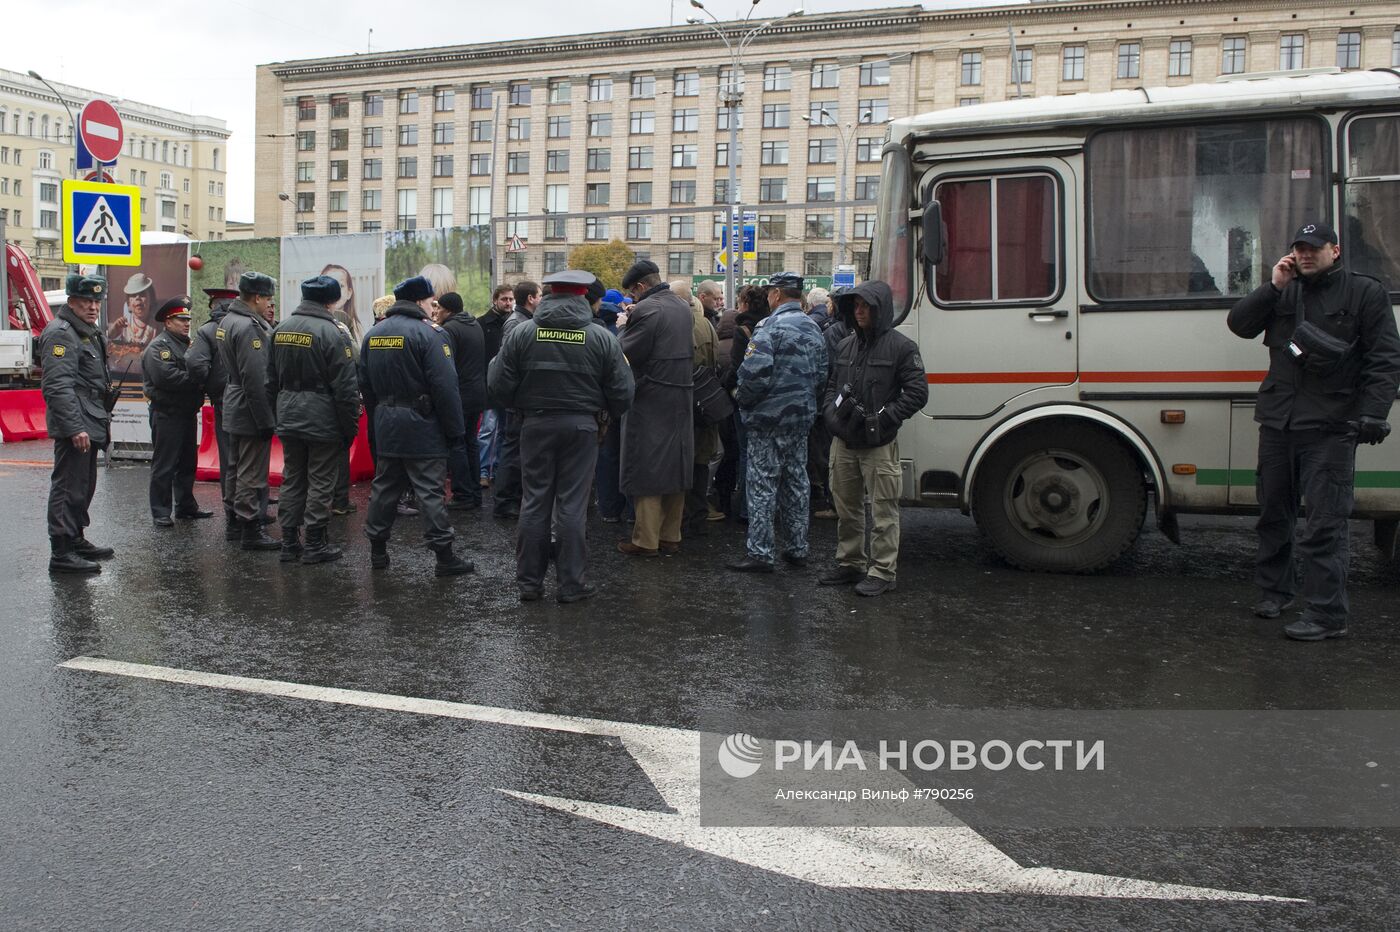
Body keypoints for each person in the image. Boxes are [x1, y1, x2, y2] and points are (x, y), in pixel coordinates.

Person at [1227, 221, 1400, 640]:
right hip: (1278, 421)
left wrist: (1374, 413)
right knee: (1273, 514)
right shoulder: (1285, 289)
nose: (1305, 255)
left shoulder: (1365, 292)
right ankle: (1274, 593)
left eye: (1314, 248)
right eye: (1299, 249)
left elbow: (1385, 358)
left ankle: (1327, 616)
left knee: (1325, 524)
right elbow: (1239, 324)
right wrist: (1273, 286)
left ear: (1334, 251)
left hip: (1331, 425)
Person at [489, 270, 635, 602]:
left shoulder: (522, 333)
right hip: (582, 428)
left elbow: (497, 386)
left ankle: (529, 583)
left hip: (535, 425)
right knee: (572, 505)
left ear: (549, 295)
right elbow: (624, 392)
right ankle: (572, 584)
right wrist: (604, 414)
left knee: (535, 501)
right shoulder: (601, 338)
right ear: (582, 297)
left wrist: (521, 407)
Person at [818, 281, 928, 596]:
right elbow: (831, 386)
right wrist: (830, 415)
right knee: (846, 506)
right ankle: (850, 563)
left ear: (880, 309)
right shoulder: (845, 345)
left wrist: (883, 420)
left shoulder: (902, 347)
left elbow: (918, 392)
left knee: (883, 509)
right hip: (844, 442)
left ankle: (882, 571)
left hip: (878, 445)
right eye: (855, 306)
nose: (859, 311)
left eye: (865, 306)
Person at [358, 275, 472, 576]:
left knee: (384, 489)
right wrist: (455, 431)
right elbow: (446, 388)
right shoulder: (431, 335)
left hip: (386, 422)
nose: (434, 308)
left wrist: (378, 419)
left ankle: (378, 551)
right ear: (421, 301)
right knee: (429, 492)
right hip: (423, 426)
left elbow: (365, 385)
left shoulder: (375, 333)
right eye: (431, 302)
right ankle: (445, 557)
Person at [729, 272, 828, 572]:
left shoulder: (768, 327)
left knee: (762, 485)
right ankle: (797, 548)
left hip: (767, 419)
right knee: (797, 482)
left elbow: (753, 375)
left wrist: (741, 398)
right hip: (801, 418)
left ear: (775, 294)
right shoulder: (813, 328)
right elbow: (823, 375)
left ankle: (761, 553)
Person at [266, 275, 363, 564]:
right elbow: (346, 388)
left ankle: (289, 542)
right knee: (321, 480)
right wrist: (350, 427)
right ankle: (315, 543)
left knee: (293, 477)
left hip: (289, 413)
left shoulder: (280, 328)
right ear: (332, 301)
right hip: (322, 417)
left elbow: (269, 381)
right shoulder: (334, 332)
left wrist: (278, 414)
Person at [617, 260, 695, 557]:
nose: (632, 299)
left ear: (640, 287)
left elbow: (623, 353)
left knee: (646, 467)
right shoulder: (681, 306)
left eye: (633, 293)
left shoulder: (648, 310)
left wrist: (622, 329)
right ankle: (670, 535)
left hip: (651, 397)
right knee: (675, 466)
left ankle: (645, 540)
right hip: (681, 396)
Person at [40, 274, 117, 573]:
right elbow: (58, 387)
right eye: (86, 301)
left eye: (96, 301)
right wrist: (74, 427)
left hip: (91, 416)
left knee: (83, 486)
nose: (93, 307)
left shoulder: (86, 331)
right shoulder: (62, 333)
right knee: (68, 485)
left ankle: (75, 538)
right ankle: (61, 550)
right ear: (71, 301)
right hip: (77, 421)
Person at [217, 271, 281, 551]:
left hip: (234, 400)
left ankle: (234, 522)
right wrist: (266, 419)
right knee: (250, 471)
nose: (269, 303)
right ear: (256, 297)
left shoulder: (228, 320)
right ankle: (249, 527)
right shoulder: (249, 327)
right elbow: (255, 380)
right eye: (267, 298)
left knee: (234, 467)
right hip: (249, 405)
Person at [142, 296, 211, 527]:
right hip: (167, 413)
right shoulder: (159, 347)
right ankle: (161, 511)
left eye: (188, 319)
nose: (186, 323)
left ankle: (185, 507)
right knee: (165, 464)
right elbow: (166, 377)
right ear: (168, 322)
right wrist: (198, 381)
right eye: (180, 319)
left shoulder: (186, 344)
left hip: (186, 412)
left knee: (187, 463)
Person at [187, 287, 240, 538]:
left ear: (214, 306)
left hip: (224, 400)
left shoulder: (208, 331)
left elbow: (196, 364)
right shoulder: (247, 326)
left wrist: (211, 387)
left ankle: (233, 515)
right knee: (250, 456)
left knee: (230, 458)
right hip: (250, 399)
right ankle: (253, 510)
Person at [492, 280, 542, 519]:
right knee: (512, 451)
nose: (542, 299)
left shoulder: (524, 321)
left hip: (520, 399)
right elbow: (508, 363)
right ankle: (504, 502)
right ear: (531, 298)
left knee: (516, 450)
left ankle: (511, 499)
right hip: (516, 400)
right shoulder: (516, 323)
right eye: (539, 295)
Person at [438, 291, 487, 510]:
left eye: (439, 308)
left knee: (456, 444)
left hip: (460, 395)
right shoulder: (474, 325)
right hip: (477, 392)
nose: (436, 312)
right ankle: (475, 492)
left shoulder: (449, 330)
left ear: (447, 309)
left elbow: (447, 367)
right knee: (471, 442)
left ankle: (463, 494)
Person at [681, 282, 722, 536]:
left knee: (685, 462)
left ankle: (685, 519)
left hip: (686, 403)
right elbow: (715, 362)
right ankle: (697, 516)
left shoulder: (683, 326)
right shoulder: (707, 324)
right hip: (707, 402)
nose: (719, 301)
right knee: (701, 462)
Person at [477, 284, 516, 489]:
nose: (508, 303)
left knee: (504, 430)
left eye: (510, 299)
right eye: (504, 299)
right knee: (487, 429)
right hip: (489, 384)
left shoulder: (516, 323)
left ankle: (499, 470)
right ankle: (483, 471)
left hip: (507, 386)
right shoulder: (482, 324)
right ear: (495, 300)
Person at [108, 272, 160, 345]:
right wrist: (114, 330)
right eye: (133, 295)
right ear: (129, 304)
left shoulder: (158, 325)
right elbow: (109, 338)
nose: (137, 298)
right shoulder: (124, 323)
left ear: (151, 299)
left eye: (142, 294)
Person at [320, 263, 364, 346]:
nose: (335, 291)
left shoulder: (356, 326)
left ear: (349, 293)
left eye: (340, 285)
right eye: (329, 285)